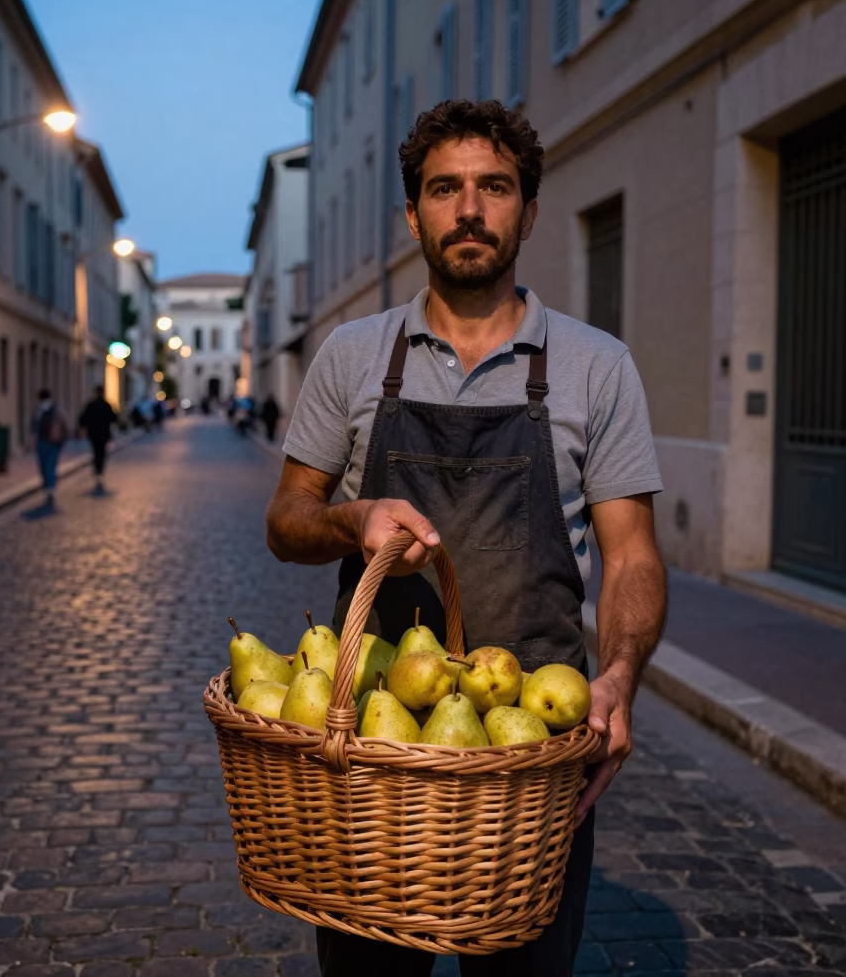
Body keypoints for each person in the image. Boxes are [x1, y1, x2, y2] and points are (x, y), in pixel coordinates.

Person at [264, 100, 667, 977]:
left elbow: (632, 553)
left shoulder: (598, 366)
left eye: (495, 187)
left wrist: (622, 677)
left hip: (531, 764)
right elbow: (287, 521)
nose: (471, 208)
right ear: (413, 215)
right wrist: (350, 518)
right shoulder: (353, 355)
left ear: (528, 209)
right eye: (445, 189)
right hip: (376, 753)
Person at [32, 389, 69, 507]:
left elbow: (34, 428)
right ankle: (50, 487)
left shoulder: (41, 410)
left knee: (45, 466)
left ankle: (49, 488)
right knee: (49, 465)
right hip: (51, 442)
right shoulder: (55, 409)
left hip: (46, 442)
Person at [78, 385, 118, 494]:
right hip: (103, 434)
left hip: (93, 434)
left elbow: (83, 418)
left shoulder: (91, 405)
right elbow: (114, 418)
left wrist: (83, 430)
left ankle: (97, 469)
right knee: (102, 452)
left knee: (95, 451)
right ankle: (99, 470)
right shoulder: (106, 405)